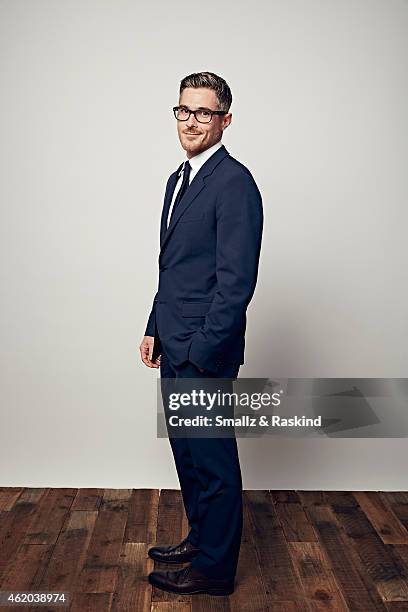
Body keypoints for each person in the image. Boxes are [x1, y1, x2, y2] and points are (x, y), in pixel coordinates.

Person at [139, 71, 263, 596]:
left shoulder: (235, 183)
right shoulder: (179, 178)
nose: (191, 121)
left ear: (224, 120)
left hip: (204, 350)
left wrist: (201, 349)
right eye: (184, 110)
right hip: (175, 339)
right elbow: (175, 267)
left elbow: (236, 283)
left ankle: (213, 571)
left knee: (212, 460)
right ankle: (201, 539)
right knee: (188, 455)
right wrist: (155, 327)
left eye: (204, 113)